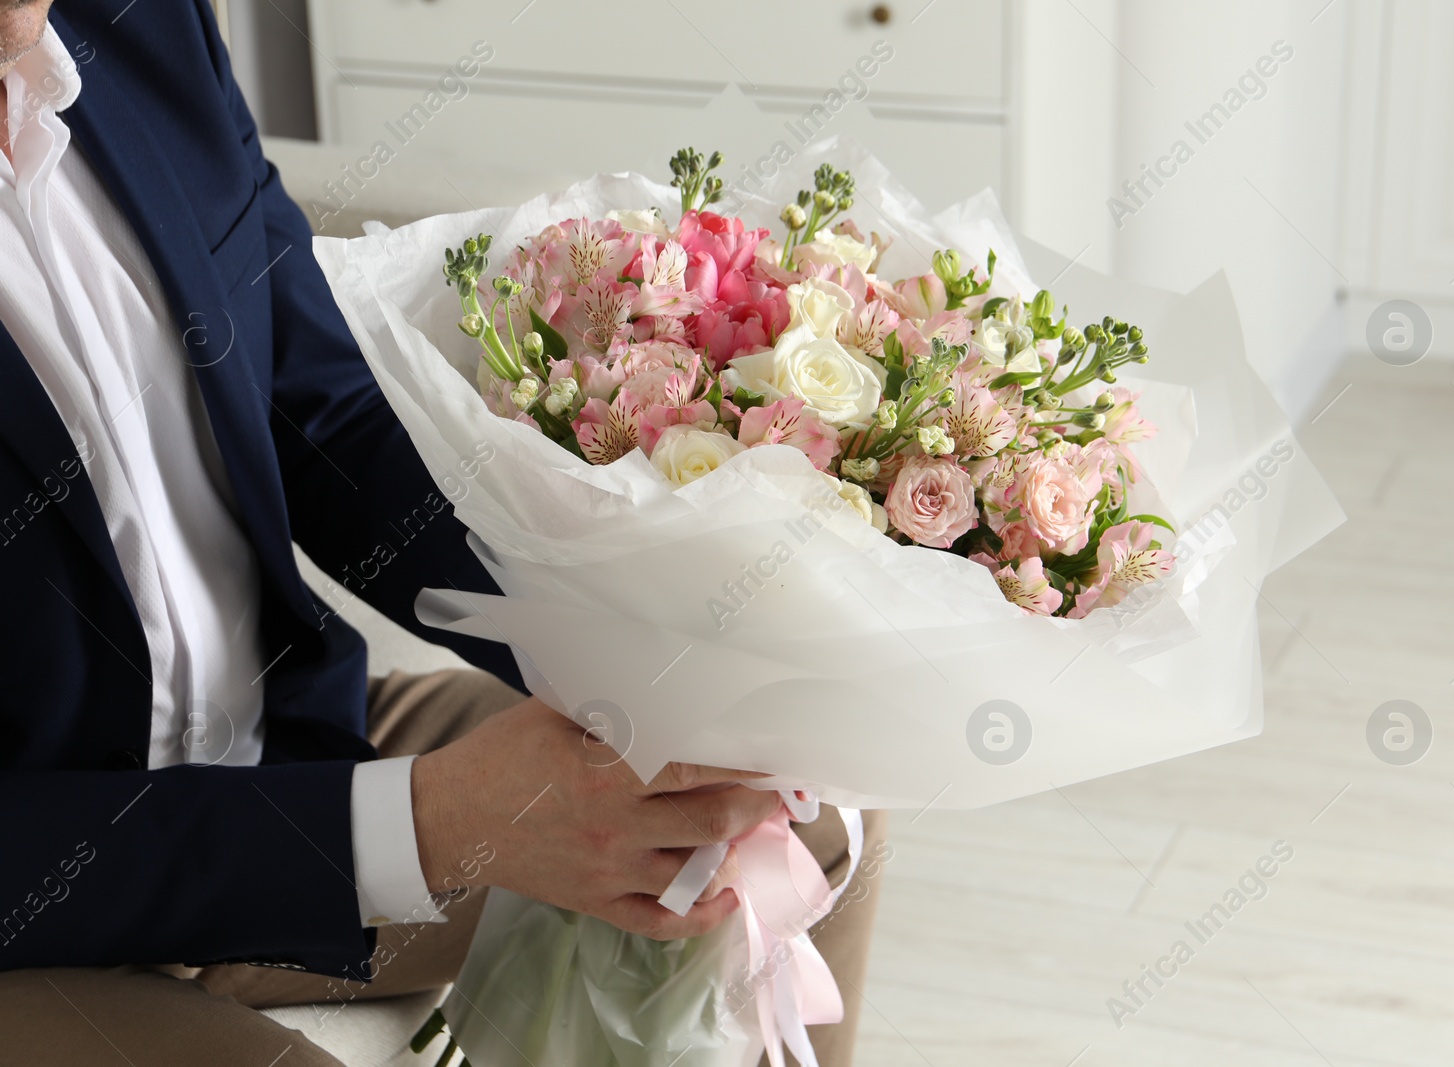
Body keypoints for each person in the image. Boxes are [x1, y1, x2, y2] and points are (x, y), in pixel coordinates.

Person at [0, 2, 885, 1062]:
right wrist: (420, 823)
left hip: (277, 744)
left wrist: (643, 651)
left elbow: (313, 402)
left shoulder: (138, 26)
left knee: (795, 811)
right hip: (41, 895)